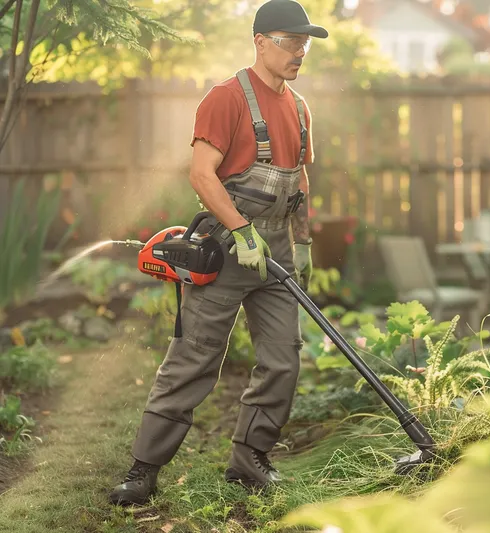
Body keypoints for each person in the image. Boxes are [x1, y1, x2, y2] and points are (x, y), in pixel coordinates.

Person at [109, 0, 327, 506]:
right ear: (260, 43)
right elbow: (202, 174)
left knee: (283, 361)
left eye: (305, 43)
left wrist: (306, 240)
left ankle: (250, 458)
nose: (300, 52)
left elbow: (299, 180)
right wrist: (241, 232)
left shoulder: (298, 106)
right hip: (226, 249)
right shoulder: (226, 99)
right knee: (194, 360)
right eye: (290, 42)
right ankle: (142, 471)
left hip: (278, 252)